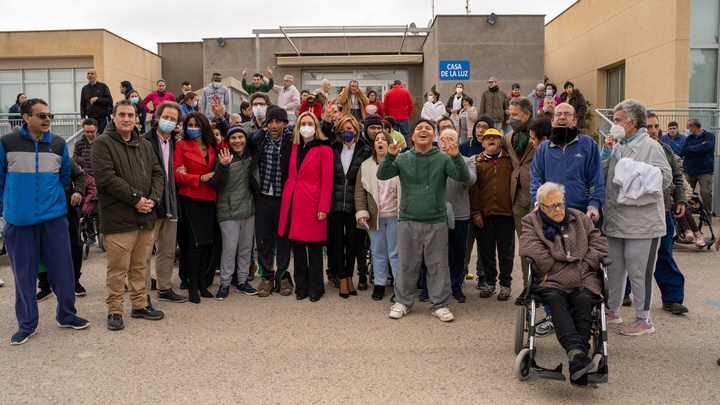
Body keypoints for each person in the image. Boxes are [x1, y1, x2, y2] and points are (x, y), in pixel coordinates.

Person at [1, 98, 90, 344]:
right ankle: (27, 324)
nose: (47, 119)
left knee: (63, 270)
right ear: (26, 117)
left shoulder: (59, 144)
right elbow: (0, 180)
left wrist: (50, 199)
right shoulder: (6, 143)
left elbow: (64, 177)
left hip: (54, 219)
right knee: (24, 275)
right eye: (41, 115)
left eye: (49, 115)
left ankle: (67, 315)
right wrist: (13, 204)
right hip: (19, 222)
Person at [518, 182, 609, 388]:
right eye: (552, 206)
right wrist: (569, 269)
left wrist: (584, 265)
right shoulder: (531, 222)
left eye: (560, 204)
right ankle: (578, 357)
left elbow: (599, 244)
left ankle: (577, 359)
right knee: (557, 299)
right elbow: (532, 249)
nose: (558, 209)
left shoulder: (580, 218)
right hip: (550, 280)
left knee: (585, 299)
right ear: (540, 207)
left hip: (584, 278)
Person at [379, 119, 470, 322]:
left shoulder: (442, 158)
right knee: (406, 264)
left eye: (428, 128)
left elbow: (463, 177)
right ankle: (402, 301)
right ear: (412, 136)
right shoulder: (403, 158)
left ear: (434, 136)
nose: (423, 130)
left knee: (438, 265)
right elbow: (383, 174)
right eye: (419, 128)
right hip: (408, 219)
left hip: (436, 220)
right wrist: (390, 155)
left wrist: (456, 157)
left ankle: (440, 304)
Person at [529, 103, 604, 336]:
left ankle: (582, 313)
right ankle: (553, 315)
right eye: (558, 114)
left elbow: (596, 180)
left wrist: (593, 206)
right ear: (552, 120)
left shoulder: (588, 145)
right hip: (550, 215)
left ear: (575, 120)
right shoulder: (543, 149)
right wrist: (537, 206)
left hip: (580, 216)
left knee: (581, 264)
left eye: (567, 114)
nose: (562, 118)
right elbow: (536, 182)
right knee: (549, 265)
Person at [92, 99, 165, 331]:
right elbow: (106, 178)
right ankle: (114, 310)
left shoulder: (144, 145)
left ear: (136, 118)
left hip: (145, 217)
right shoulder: (102, 144)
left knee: (140, 266)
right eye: (121, 114)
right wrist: (136, 200)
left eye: (130, 115)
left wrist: (153, 199)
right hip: (119, 219)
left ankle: (139, 305)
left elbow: (157, 174)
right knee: (117, 270)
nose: (126, 119)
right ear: (113, 117)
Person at [601, 99, 672, 336]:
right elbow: (604, 175)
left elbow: (664, 178)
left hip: (643, 224)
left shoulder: (651, 146)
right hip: (615, 220)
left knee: (639, 270)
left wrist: (633, 172)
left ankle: (644, 319)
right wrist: (607, 151)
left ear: (632, 122)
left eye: (618, 120)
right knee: (615, 269)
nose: (615, 124)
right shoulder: (618, 145)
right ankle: (613, 310)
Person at [278, 112, 333, 302]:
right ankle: (301, 287)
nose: (306, 126)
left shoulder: (324, 149)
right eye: (303, 123)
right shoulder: (293, 147)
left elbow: (327, 181)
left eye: (310, 123)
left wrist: (323, 207)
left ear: (316, 126)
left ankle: (316, 288)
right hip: (294, 203)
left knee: (315, 251)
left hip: (313, 204)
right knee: (298, 250)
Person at [142, 101, 187, 304]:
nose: (169, 121)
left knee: (167, 250)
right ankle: (141, 295)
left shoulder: (178, 144)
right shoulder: (143, 142)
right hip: (151, 204)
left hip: (171, 203)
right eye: (166, 117)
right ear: (157, 117)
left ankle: (164, 288)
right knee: (143, 254)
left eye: (174, 119)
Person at [644, 112, 689, 315]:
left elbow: (677, 178)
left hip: (663, 212)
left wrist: (680, 200)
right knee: (629, 257)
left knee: (664, 255)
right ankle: (624, 294)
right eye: (648, 127)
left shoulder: (665, 149)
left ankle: (672, 299)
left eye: (655, 127)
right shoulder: (628, 151)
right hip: (636, 215)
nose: (653, 131)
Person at [209, 124, 261, 300]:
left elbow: (260, 132)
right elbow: (215, 184)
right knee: (229, 249)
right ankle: (224, 283)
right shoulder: (222, 157)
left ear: (246, 139)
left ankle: (242, 281)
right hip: (228, 211)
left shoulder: (252, 154)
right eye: (233, 138)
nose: (237, 141)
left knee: (246, 248)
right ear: (228, 141)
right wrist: (223, 166)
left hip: (249, 210)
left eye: (241, 137)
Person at [174, 111, 220, 303]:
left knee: (206, 243)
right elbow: (177, 175)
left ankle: (202, 281)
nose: (193, 129)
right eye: (190, 125)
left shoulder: (213, 146)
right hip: (190, 197)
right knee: (194, 243)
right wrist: (199, 178)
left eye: (196, 125)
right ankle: (192, 285)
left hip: (209, 198)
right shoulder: (181, 145)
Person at [251, 106, 294, 297]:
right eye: (271, 122)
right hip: (263, 199)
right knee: (264, 239)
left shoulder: (292, 142)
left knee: (283, 239)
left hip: (283, 198)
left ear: (285, 124)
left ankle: (283, 276)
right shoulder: (259, 141)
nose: (274, 125)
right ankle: (266, 277)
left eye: (278, 121)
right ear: (266, 124)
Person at [329, 116, 372, 298]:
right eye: (343, 128)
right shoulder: (333, 149)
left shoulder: (365, 150)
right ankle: (343, 280)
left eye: (350, 128)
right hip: (335, 203)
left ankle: (350, 276)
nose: (347, 131)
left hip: (356, 204)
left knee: (353, 243)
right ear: (339, 131)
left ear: (356, 130)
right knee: (337, 243)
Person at [470, 127, 515, 301]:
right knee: (486, 251)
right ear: (482, 142)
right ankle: (489, 282)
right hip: (484, 215)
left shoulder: (510, 161)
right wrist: (476, 212)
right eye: (487, 138)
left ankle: (505, 284)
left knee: (506, 252)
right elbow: (473, 190)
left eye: (495, 138)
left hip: (506, 215)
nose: (491, 140)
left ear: (501, 141)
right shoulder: (477, 163)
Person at [355, 131, 399, 301]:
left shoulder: (400, 162)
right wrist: (362, 212)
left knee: (395, 253)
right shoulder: (365, 165)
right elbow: (359, 192)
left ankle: (398, 284)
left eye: (384, 139)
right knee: (378, 251)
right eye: (377, 140)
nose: (380, 142)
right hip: (375, 217)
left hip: (396, 215)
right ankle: (379, 284)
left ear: (390, 143)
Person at [439, 129, 476, 303]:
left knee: (457, 252)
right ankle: (432, 287)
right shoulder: (433, 160)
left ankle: (455, 286)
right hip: (436, 213)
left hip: (459, 214)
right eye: (443, 139)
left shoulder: (467, 161)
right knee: (435, 253)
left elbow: (469, 180)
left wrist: (455, 158)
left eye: (451, 139)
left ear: (458, 142)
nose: (446, 142)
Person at [504, 97, 536, 293]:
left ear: (527, 115)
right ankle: (528, 286)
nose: (511, 118)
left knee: (540, 244)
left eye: (515, 115)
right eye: (509, 114)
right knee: (524, 244)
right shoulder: (508, 138)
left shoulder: (541, 134)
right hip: (516, 196)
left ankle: (545, 284)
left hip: (537, 195)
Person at [679, 118, 715, 214]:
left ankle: (707, 215)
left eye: (688, 128)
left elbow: (706, 147)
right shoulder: (688, 139)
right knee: (684, 192)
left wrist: (690, 150)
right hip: (689, 171)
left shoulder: (709, 137)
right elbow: (682, 151)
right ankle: (685, 215)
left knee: (706, 193)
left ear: (693, 127)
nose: (687, 130)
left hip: (704, 171)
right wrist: (699, 150)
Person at [80, 69, 113, 134]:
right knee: (92, 138)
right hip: (91, 118)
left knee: (103, 137)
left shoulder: (103, 86)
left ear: (96, 76)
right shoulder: (84, 88)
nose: (90, 75)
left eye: (92, 74)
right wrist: (83, 117)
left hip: (102, 118)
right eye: (88, 74)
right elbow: (82, 104)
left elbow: (109, 101)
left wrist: (98, 99)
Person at [383, 80, 414, 145]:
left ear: (393, 85)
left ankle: (394, 149)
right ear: (401, 84)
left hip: (393, 118)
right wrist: (407, 114)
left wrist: (388, 116)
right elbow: (411, 105)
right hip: (404, 117)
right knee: (406, 135)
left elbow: (384, 107)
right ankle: (406, 149)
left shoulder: (389, 93)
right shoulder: (405, 92)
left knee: (394, 135)